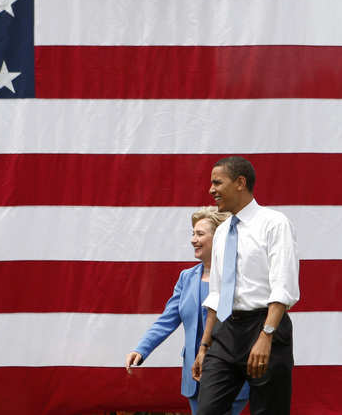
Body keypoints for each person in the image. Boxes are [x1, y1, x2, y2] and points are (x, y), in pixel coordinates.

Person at [192, 156, 300, 415]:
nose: (211, 190)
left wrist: (266, 336)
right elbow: (217, 294)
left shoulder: (274, 223)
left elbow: (283, 287)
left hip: (266, 327)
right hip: (227, 330)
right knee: (207, 410)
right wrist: (204, 346)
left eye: (217, 182)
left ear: (240, 182)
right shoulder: (221, 232)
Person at [125, 207, 249, 414]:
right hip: (195, 377)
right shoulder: (186, 277)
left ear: (219, 237)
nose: (193, 240)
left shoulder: (239, 276)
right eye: (193, 233)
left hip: (230, 374)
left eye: (200, 234)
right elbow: (167, 319)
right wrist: (141, 349)